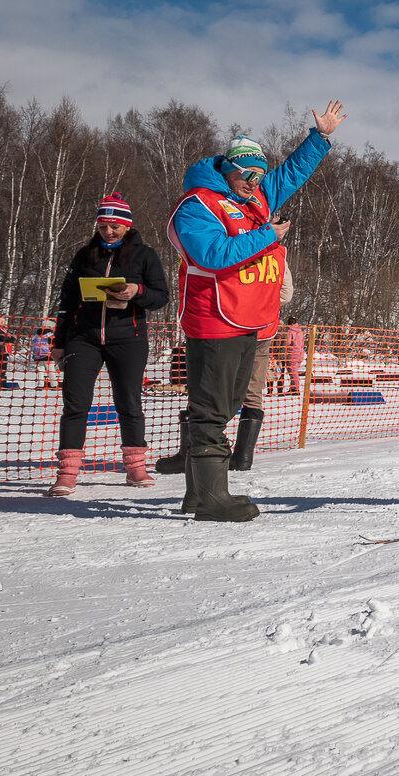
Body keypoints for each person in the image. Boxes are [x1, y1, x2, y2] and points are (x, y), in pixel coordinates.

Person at [166, 100, 346, 522]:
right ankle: (211, 498)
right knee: (211, 409)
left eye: (260, 175)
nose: (255, 181)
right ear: (228, 169)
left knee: (227, 405)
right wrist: (267, 236)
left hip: (251, 321)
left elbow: (291, 174)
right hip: (215, 319)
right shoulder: (199, 205)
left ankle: (197, 494)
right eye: (247, 173)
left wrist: (319, 138)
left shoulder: (254, 200)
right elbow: (212, 254)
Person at [47, 193, 169, 496]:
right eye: (103, 226)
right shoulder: (85, 255)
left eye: (114, 226)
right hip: (83, 338)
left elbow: (161, 296)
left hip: (128, 338)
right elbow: (67, 302)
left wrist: (136, 290)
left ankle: (136, 467)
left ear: (127, 226)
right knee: (75, 404)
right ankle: (67, 473)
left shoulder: (144, 255)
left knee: (128, 402)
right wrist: (59, 343)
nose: (109, 232)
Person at [232, 275, 295, 472]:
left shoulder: (234, 245)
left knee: (221, 384)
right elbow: (286, 293)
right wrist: (265, 302)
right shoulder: (279, 256)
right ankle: (243, 456)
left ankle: (209, 450)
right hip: (265, 327)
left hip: (232, 325)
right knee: (254, 390)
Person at [285, 315, 305, 394]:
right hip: (300, 353)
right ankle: (293, 387)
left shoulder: (290, 331)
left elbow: (288, 342)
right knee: (295, 371)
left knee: (293, 372)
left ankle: (295, 388)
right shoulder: (300, 331)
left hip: (292, 353)